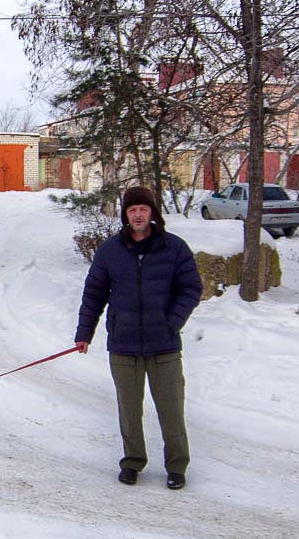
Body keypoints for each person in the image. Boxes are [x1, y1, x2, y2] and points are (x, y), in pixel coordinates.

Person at [74, 186, 203, 490]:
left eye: (143, 209)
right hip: (124, 344)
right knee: (129, 410)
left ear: (152, 213)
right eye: (132, 210)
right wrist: (84, 333)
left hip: (164, 345)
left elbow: (191, 288)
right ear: (125, 215)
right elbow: (93, 294)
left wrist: (171, 322)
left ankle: (176, 466)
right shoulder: (110, 251)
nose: (138, 215)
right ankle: (132, 462)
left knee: (171, 409)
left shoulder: (174, 248)